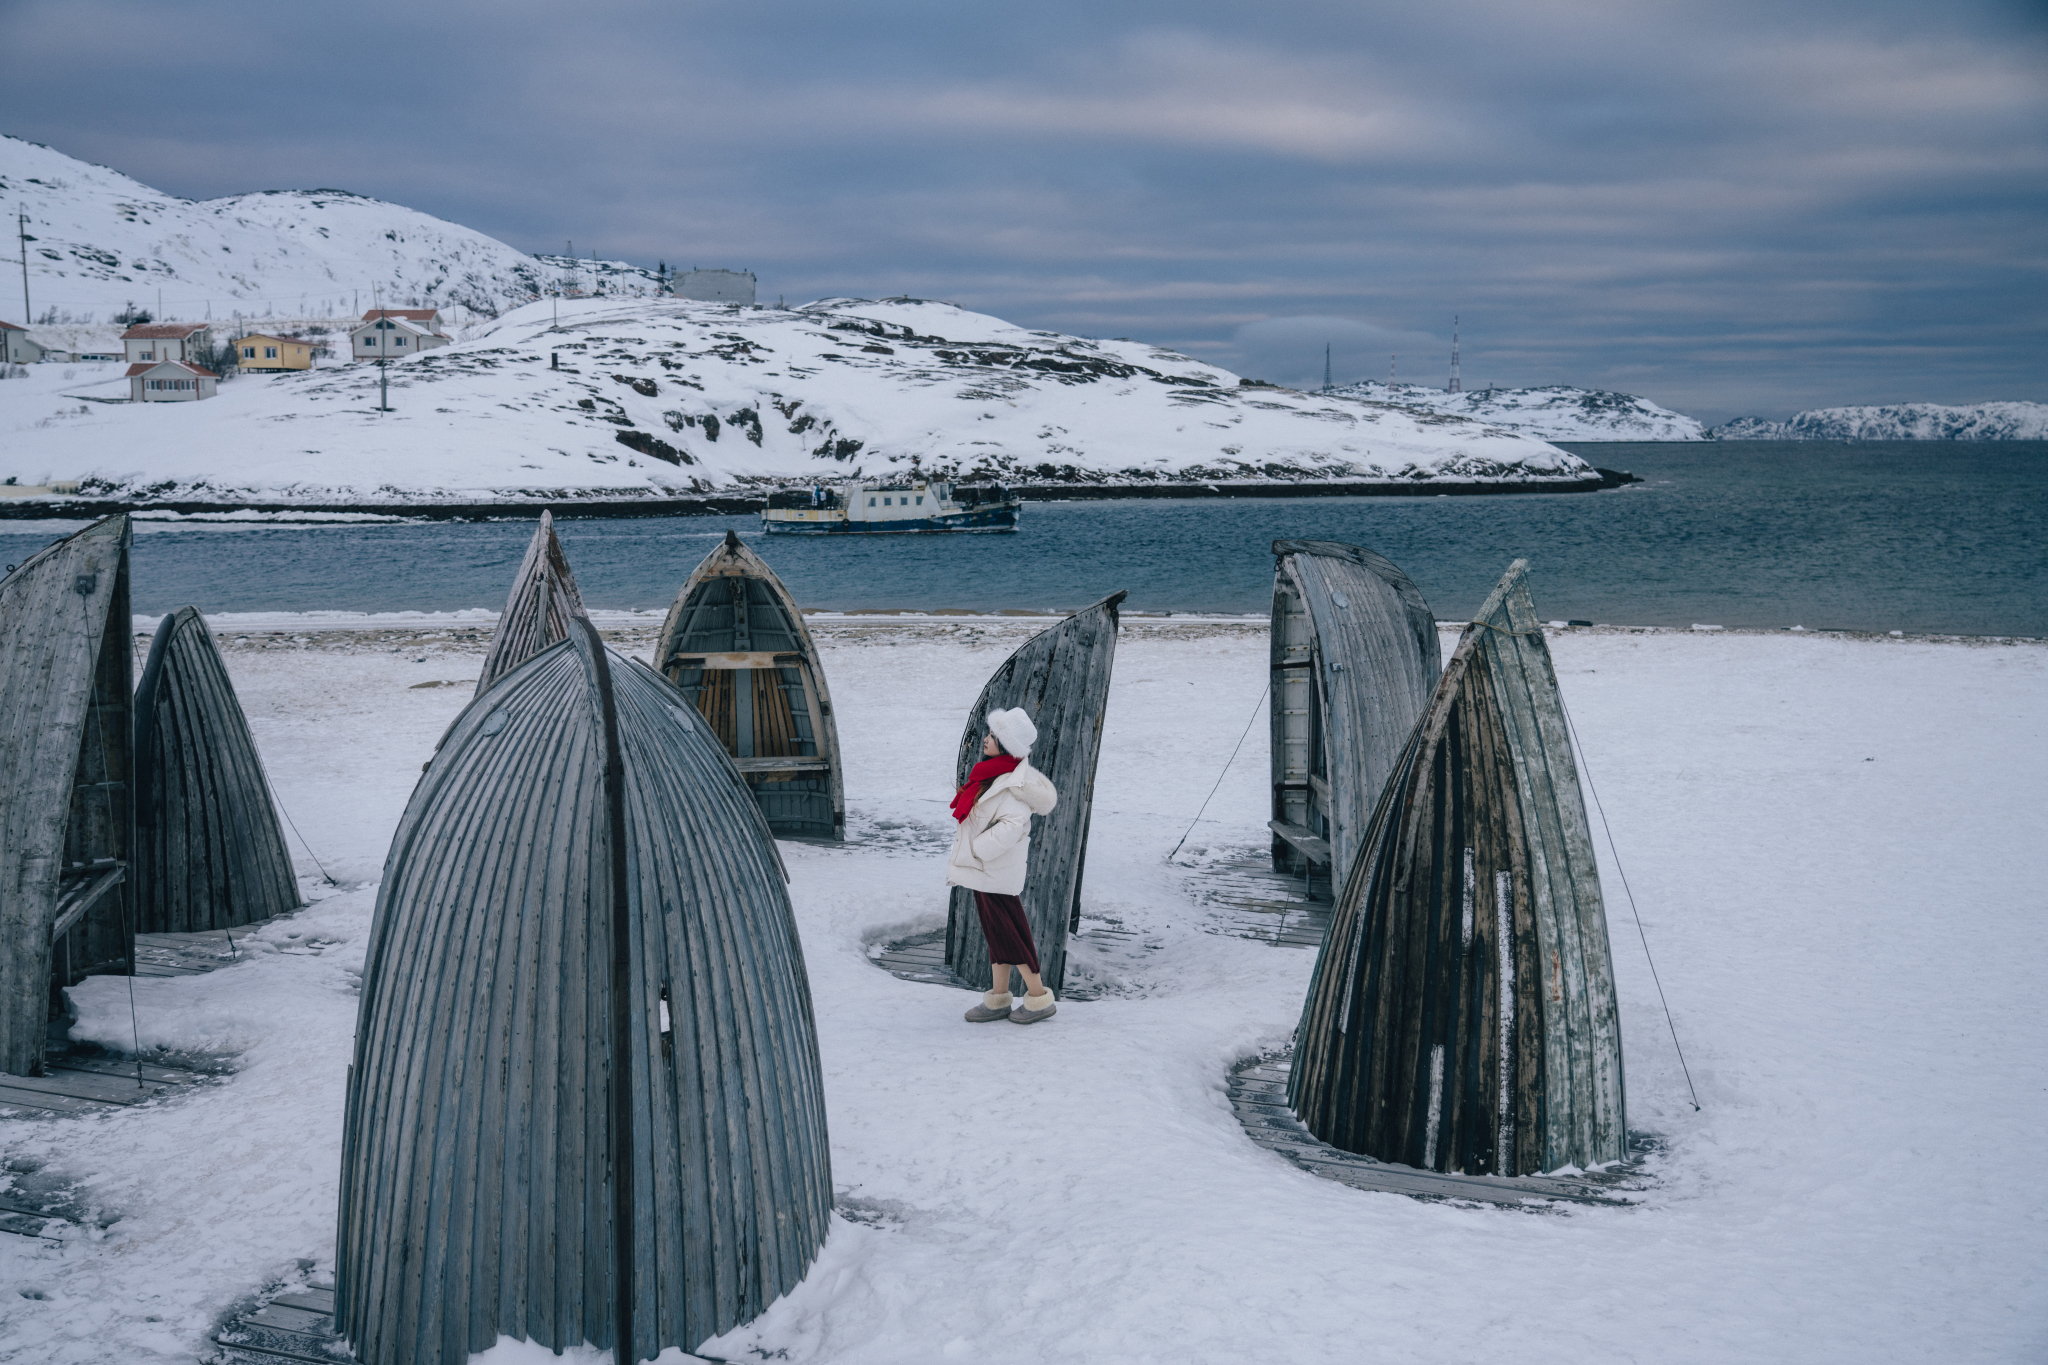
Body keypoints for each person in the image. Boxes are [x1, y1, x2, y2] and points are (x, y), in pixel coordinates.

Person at [945, 706, 1059, 1024]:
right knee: (998, 935)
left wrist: (977, 850)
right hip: (986, 871)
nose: (985, 739)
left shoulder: (1014, 786)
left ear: (1006, 745)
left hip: (993, 870)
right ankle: (998, 998)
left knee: (1011, 934)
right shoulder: (996, 775)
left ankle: (1037, 998)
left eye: (992, 736)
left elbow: (1011, 826)